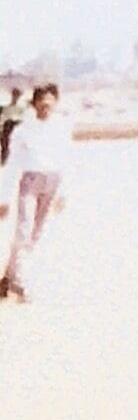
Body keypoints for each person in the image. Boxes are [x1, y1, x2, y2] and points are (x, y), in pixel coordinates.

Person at [0, 84, 72, 302]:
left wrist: (63, 192)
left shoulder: (61, 128)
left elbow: (66, 159)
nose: (46, 106)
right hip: (30, 181)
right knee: (23, 230)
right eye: (42, 102)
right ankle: (20, 284)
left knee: (35, 234)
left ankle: (7, 279)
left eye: (50, 102)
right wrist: (3, 198)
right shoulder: (23, 130)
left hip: (52, 181)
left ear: (56, 103)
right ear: (34, 104)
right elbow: (13, 164)